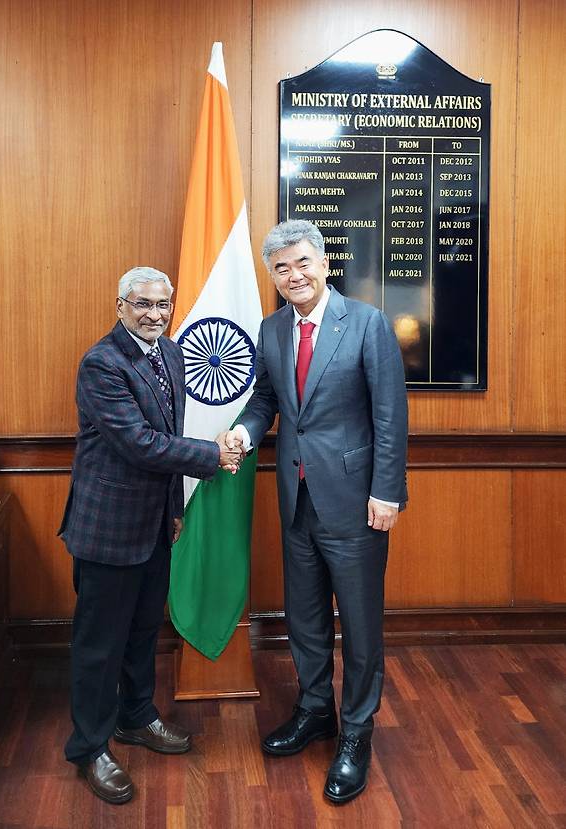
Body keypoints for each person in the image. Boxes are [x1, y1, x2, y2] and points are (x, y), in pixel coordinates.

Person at [223, 220, 408, 804]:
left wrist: (387, 490)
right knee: (303, 619)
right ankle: (314, 710)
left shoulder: (368, 324)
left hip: (356, 502)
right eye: (281, 268)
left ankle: (356, 732)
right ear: (273, 277)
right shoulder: (272, 328)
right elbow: (267, 402)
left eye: (303, 263)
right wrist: (244, 434)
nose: (294, 275)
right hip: (296, 499)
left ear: (324, 263)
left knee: (358, 625)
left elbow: (389, 416)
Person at [58, 266, 241, 804]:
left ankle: (136, 718)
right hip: (108, 530)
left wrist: (173, 508)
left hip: (156, 524)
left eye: (164, 305)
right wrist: (214, 457)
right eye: (143, 305)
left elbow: (167, 435)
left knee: (141, 634)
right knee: (99, 646)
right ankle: (89, 747)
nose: (155, 314)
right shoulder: (102, 363)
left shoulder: (173, 353)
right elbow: (138, 443)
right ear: (120, 306)